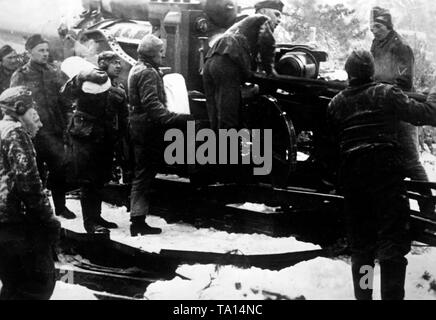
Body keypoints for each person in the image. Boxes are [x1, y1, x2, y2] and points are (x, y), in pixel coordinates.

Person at [327, 50, 436, 300]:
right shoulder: (385, 93)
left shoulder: (336, 104)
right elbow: (427, 115)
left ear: (348, 72)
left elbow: (330, 146)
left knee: (362, 247)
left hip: (353, 177)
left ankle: (364, 297)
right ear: (372, 71)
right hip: (385, 172)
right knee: (392, 245)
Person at [370, 7, 434, 214]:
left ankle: (428, 211)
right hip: (383, 106)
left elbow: (404, 80)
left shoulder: (401, 47)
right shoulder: (377, 44)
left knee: (411, 161)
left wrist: (379, 85)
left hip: (401, 106)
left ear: (388, 26)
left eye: (378, 26)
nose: (374, 30)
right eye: (372, 26)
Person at [0, 86, 60, 300]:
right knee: (38, 286)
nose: (39, 122)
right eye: (33, 114)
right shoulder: (15, 132)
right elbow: (28, 182)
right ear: (20, 109)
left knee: (12, 285)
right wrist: (49, 219)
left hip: (4, 225)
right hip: (19, 223)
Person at [128, 34, 192, 237]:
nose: (163, 55)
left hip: (139, 126)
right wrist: (177, 118)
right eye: (160, 51)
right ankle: (138, 222)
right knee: (144, 174)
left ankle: (138, 219)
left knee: (142, 174)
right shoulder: (148, 73)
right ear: (152, 53)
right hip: (148, 129)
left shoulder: (137, 68)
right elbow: (152, 106)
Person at [10, 34, 76, 220]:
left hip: (54, 130)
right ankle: (37, 209)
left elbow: (65, 99)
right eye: (41, 50)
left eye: (47, 50)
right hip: (33, 133)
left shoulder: (55, 72)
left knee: (59, 169)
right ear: (29, 52)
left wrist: (67, 121)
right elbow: (15, 104)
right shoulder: (20, 75)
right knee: (35, 171)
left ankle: (61, 207)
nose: (45, 54)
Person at [62, 52, 128, 234]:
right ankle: (89, 222)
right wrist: (81, 77)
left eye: (119, 63)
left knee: (99, 180)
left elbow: (122, 116)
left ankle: (96, 216)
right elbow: (68, 93)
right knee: (88, 181)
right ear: (102, 64)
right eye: (114, 63)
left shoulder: (118, 87)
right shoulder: (87, 81)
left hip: (105, 138)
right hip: (86, 137)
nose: (118, 66)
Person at [203, 13, 278, 131]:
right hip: (226, 62)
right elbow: (267, 42)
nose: (279, 19)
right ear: (266, 11)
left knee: (214, 116)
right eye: (277, 15)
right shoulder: (264, 19)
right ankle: (228, 148)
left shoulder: (244, 23)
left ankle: (216, 147)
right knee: (228, 115)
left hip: (210, 61)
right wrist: (270, 71)